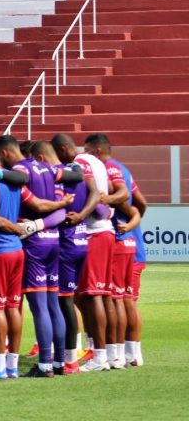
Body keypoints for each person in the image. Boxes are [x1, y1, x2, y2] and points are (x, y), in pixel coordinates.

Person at [0, 135, 76, 377]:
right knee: (53, 304)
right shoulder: (48, 168)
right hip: (54, 240)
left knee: (40, 308)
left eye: (0, 158)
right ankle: (60, 363)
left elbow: (34, 202)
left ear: (5, 153)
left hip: (34, 244)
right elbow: (58, 205)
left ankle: (45, 365)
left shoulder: (19, 170)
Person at [51, 133, 116, 372]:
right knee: (97, 295)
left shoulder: (79, 163)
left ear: (62, 149)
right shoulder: (97, 162)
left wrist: (85, 214)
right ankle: (109, 353)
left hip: (92, 233)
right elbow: (104, 192)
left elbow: (94, 194)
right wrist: (106, 211)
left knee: (93, 295)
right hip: (99, 231)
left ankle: (100, 356)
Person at [84, 134, 145, 368]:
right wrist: (133, 222)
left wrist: (105, 200)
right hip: (129, 241)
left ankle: (115, 354)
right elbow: (141, 203)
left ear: (98, 150)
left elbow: (124, 195)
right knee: (125, 299)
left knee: (114, 298)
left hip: (117, 241)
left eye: (88, 150)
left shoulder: (108, 168)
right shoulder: (122, 168)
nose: (85, 154)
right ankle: (130, 354)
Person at [32, 140, 93, 374]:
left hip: (65, 244)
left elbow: (57, 213)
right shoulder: (77, 174)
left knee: (63, 302)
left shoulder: (57, 179)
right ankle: (68, 357)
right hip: (80, 241)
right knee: (66, 301)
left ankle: (68, 359)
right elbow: (100, 207)